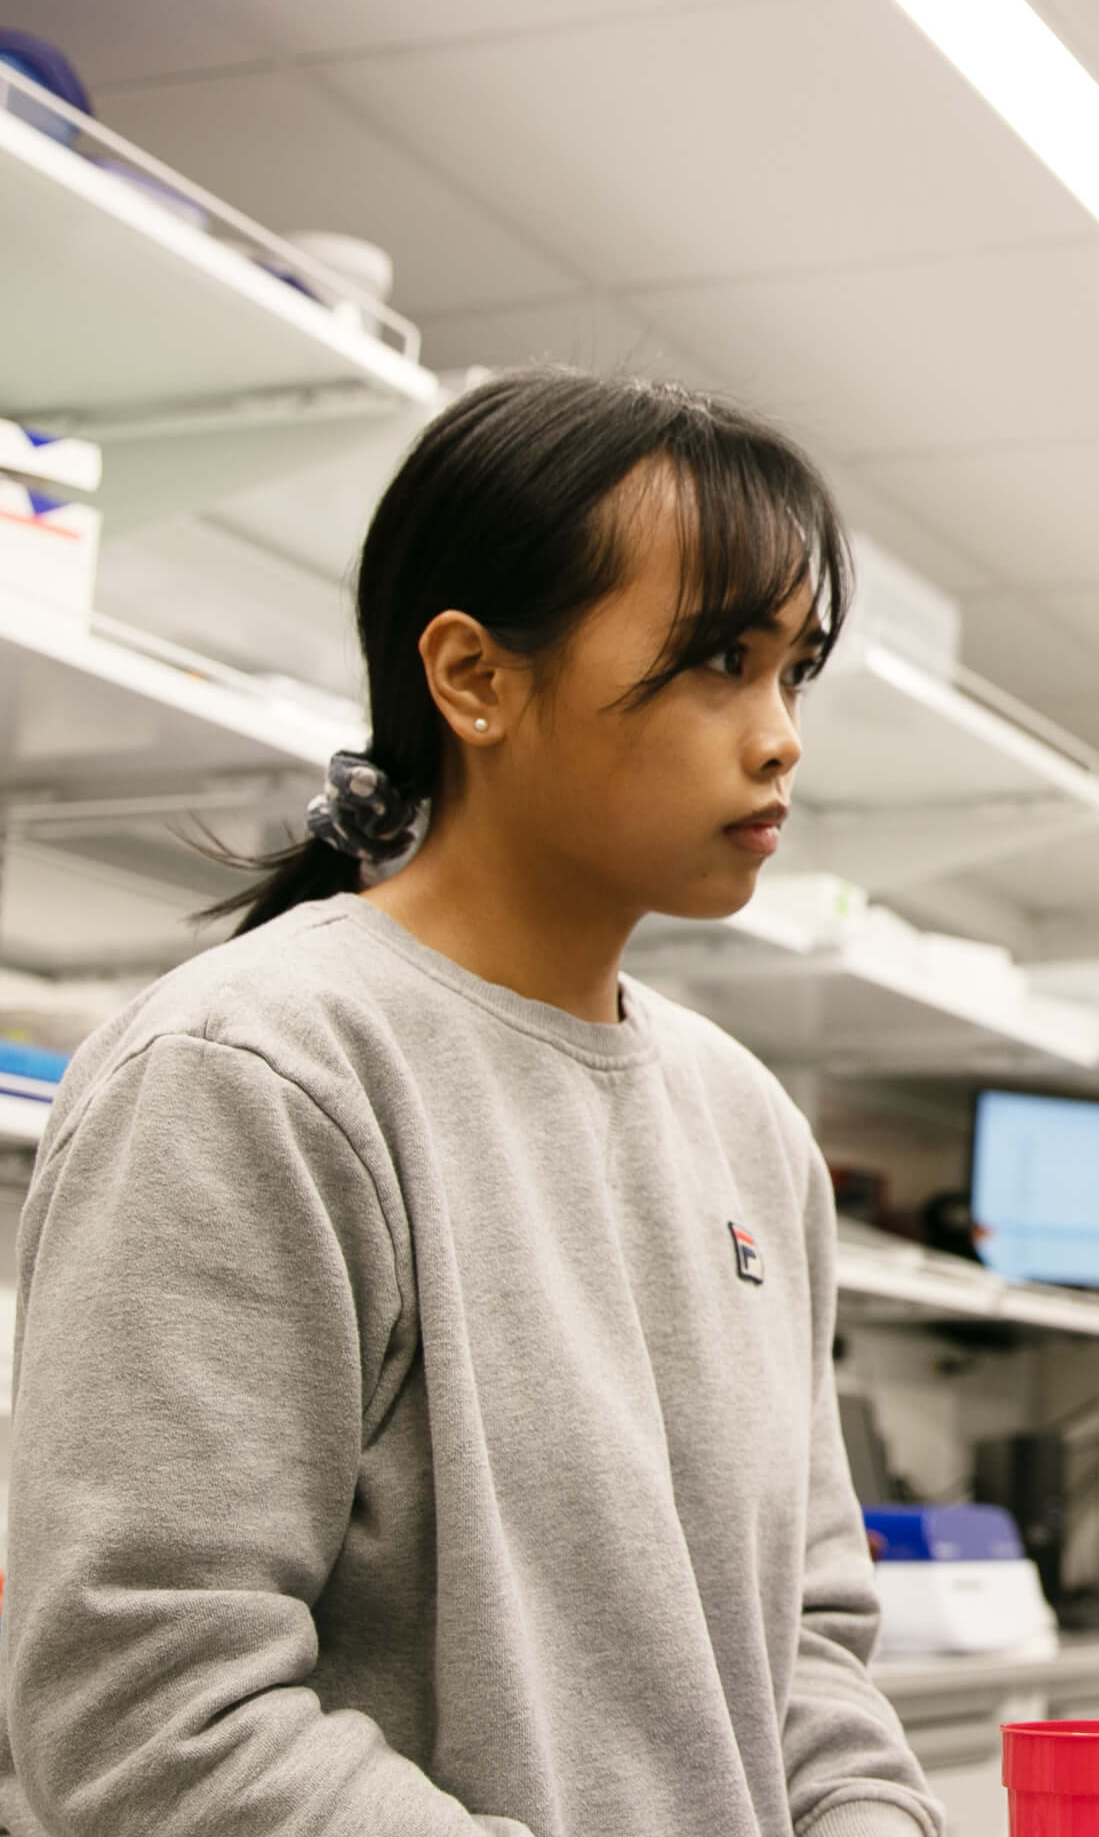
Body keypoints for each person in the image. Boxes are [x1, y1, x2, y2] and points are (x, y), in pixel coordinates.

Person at [0, 371, 942, 1837]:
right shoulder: (254, 1078)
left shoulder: (751, 1128)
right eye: (716, 662)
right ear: (474, 678)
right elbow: (150, 1711)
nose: (779, 737)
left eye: (792, 671)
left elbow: (806, 1644)